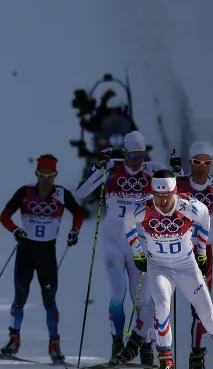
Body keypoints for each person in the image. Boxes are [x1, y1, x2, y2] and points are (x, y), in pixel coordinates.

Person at [122, 168, 213, 369]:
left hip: (186, 266)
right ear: (153, 193)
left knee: (208, 318)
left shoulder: (189, 206)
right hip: (159, 267)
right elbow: (127, 222)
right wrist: (137, 252)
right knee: (161, 307)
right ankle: (166, 359)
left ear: (175, 192)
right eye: (158, 195)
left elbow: (205, 219)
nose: (163, 201)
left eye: (168, 195)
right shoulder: (143, 208)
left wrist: (202, 252)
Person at [75, 130, 155, 364]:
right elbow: (81, 192)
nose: (137, 161)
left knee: (141, 299)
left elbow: (177, 187)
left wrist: (175, 171)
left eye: (141, 155)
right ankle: (117, 343)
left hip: (139, 244)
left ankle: (146, 345)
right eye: (132, 156)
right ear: (125, 153)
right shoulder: (112, 168)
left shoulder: (151, 170)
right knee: (118, 293)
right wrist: (97, 168)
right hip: (114, 243)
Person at [0, 154, 85, 364]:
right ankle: (13, 340)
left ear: (56, 175)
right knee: (20, 297)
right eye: (42, 175)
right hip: (26, 251)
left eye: (50, 175)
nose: (46, 180)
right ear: (36, 174)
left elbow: (79, 213)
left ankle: (54, 346)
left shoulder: (62, 194)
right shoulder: (25, 192)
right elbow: (4, 216)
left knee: (49, 300)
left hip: (47, 253)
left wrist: (74, 231)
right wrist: (15, 230)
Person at [174, 141, 213, 369]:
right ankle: (156, 350)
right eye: (197, 162)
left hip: (202, 252)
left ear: (211, 163)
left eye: (206, 162)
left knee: (202, 308)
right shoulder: (177, 183)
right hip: (173, 247)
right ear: (190, 162)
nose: (201, 167)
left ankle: (197, 355)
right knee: (160, 301)